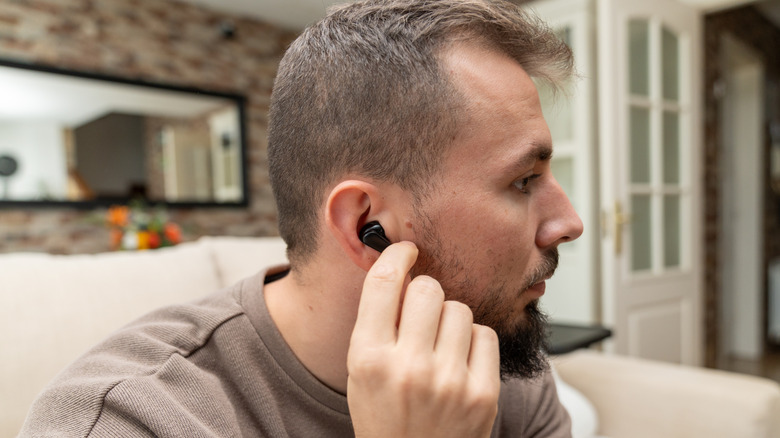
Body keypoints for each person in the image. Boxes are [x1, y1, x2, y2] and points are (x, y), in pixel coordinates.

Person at [21, 0, 583, 436]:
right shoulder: (130, 420)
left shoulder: (491, 341)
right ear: (369, 227)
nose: (570, 221)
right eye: (524, 180)